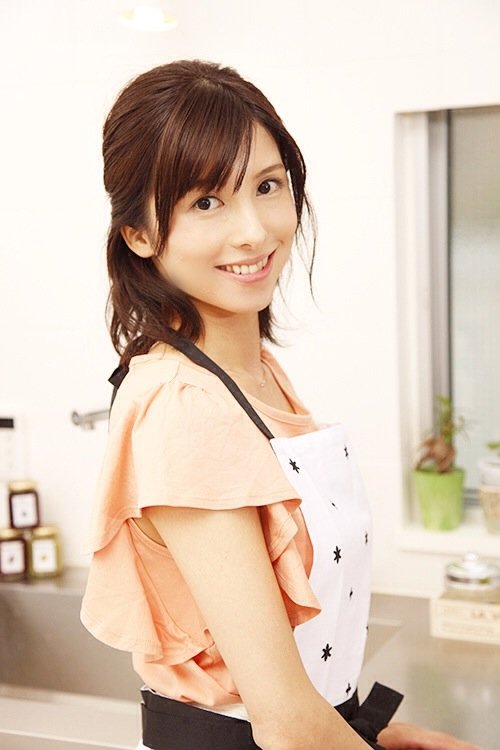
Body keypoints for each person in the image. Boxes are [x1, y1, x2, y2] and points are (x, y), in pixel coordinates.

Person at [80, 59, 481, 750]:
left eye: (267, 186)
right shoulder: (182, 405)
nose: (254, 231)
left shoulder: (255, 373)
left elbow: (299, 690)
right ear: (139, 234)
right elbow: (285, 722)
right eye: (206, 202)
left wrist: (378, 736)